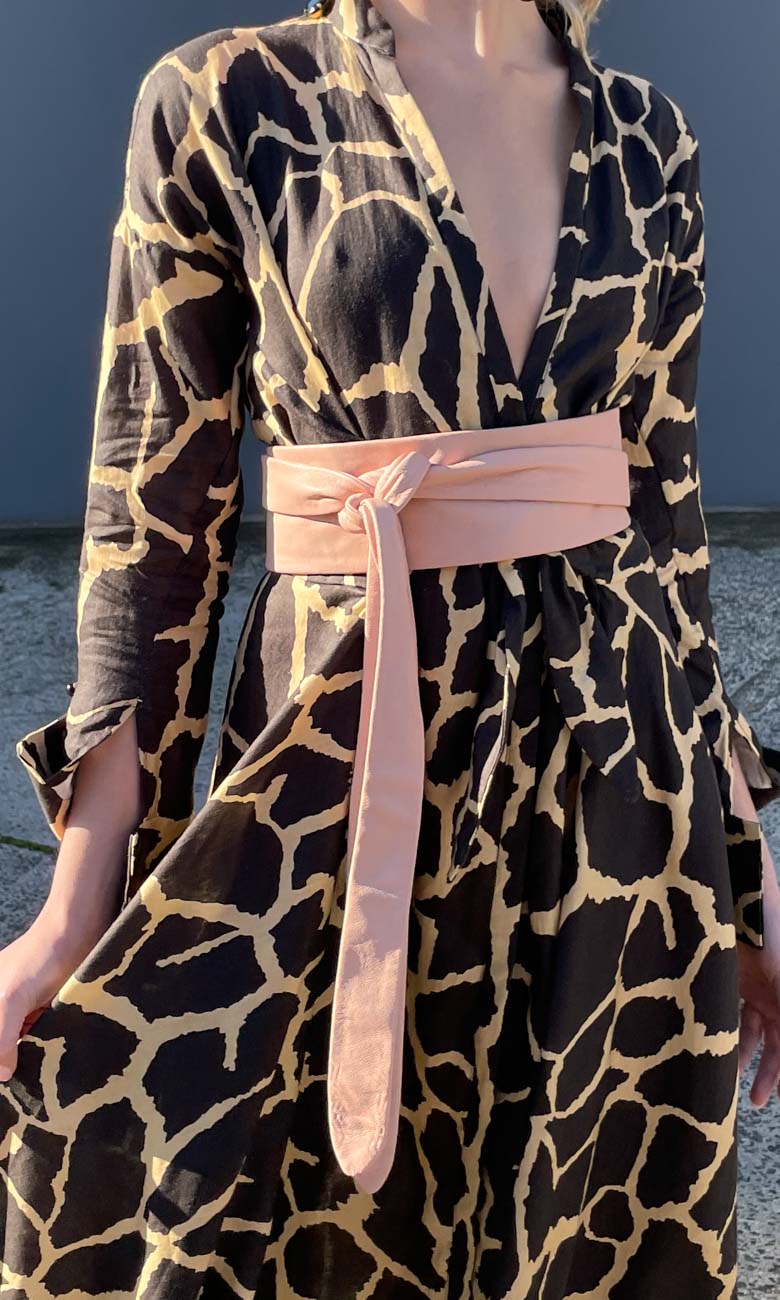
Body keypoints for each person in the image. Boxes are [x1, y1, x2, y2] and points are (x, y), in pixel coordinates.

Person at [3, 0, 780, 1293]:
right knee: (316, 1232)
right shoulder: (230, 100)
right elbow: (154, 518)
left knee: (598, 1238)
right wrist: (83, 898)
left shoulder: (653, 144)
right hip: (345, 787)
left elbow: (669, 530)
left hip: (619, 822)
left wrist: (748, 883)